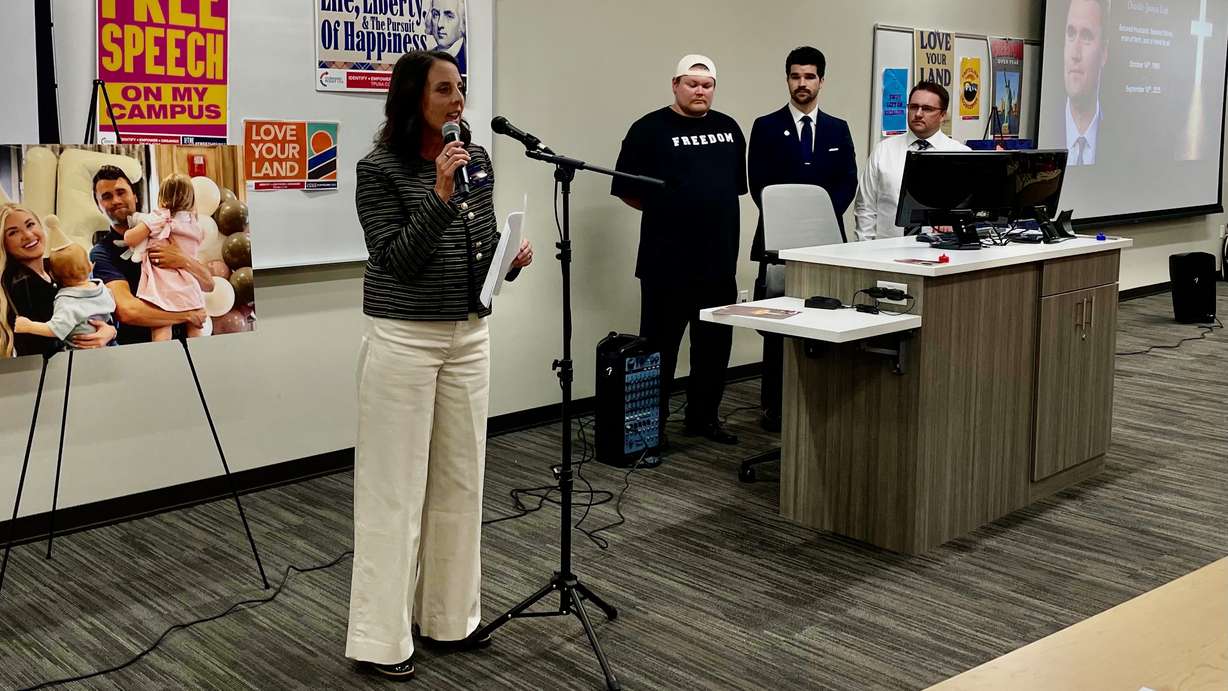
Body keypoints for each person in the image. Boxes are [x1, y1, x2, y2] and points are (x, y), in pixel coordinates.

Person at [346, 50, 533, 680]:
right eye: (444, 91)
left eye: (460, 90)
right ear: (412, 100)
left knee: (460, 483)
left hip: (469, 333)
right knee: (393, 490)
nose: (458, 102)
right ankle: (380, 639)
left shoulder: (475, 157)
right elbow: (396, 259)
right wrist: (441, 193)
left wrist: (507, 258)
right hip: (404, 339)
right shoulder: (378, 170)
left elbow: (475, 246)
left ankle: (451, 620)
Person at [612, 54, 747, 449]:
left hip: (718, 264)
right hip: (665, 265)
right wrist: (670, 214)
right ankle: (650, 429)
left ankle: (703, 417)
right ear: (675, 85)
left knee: (713, 350)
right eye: (691, 84)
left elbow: (732, 189)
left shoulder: (729, 129)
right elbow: (627, 190)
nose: (700, 91)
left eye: (707, 85)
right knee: (659, 351)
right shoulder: (648, 129)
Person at [748, 45, 857, 432]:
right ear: (787, 79)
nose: (802, 84)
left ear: (821, 81)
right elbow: (757, 184)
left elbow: (848, 181)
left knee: (825, 320)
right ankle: (775, 407)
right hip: (778, 244)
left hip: (827, 243)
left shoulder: (837, 128)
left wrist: (820, 219)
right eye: (795, 76)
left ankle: (820, 401)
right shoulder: (765, 126)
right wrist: (792, 222)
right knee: (778, 324)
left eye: (809, 76)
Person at [89, 165, 212, 345]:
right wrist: (187, 314)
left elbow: (208, 284)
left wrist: (183, 260)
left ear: (135, 196)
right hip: (142, 350)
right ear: (99, 207)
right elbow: (128, 311)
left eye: (121, 192)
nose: (116, 200)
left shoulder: (168, 229)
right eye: (106, 197)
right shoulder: (102, 253)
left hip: (189, 344)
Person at [854, 81, 970, 241]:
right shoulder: (883, 150)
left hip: (941, 250)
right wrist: (864, 248)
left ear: (943, 115)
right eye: (914, 107)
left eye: (927, 109)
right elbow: (865, 207)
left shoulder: (960, 155)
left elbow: (967, 210)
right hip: (887, 249)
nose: (918, 114)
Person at [1, 203, 115, 357]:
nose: (28, 235)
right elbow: (43, 341)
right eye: (13, 233)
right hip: (52, 371)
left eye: (30, 225)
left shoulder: (58, 267)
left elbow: (94, 307)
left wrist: (109, 331)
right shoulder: (19, 283)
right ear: (3, 243)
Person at [122, 173, 206, 341]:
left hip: (163, 284)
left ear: (161, 197)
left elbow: (129, 239)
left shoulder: (159, 218)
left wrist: (147, 226)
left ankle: (161, 360)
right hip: (189, 284)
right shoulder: (194, 225)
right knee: (196, 328)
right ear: (191, 199)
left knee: (161, 327)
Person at [14, 243, 116, 349]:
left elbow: (55, 329)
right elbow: (112, 308)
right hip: (111, 345)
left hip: (80, 351)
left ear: (53, 275)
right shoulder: (101, 289)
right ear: (90, 267)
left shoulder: (67, 301)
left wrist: (28, 326)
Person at [1061, 0, 1108, 166]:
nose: (1075, 53)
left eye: (1087, 36)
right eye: (1071, 34)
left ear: (1103, 54)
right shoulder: (1045, 129)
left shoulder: (1123, 140)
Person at [427, 0, 466, 71]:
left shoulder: (468, 58)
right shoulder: (426, 59)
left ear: (463, 21)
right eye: (435, 14)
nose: (439, 24)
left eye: (449, 16)